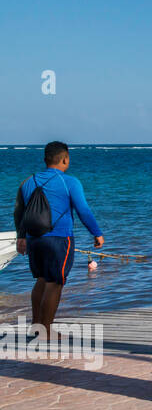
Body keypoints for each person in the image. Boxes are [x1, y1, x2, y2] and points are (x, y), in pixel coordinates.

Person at [13, 142, 105, 341]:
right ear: (65, 159)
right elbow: (83, 210)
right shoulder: (70, 182)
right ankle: (46, 332)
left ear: (45, 159)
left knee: (41, 280)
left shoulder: (28, 182)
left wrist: (21, 237)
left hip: (33, 239)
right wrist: (96, 233)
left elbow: (19, 212)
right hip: (59, 239)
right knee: (55, 283)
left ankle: (36, 327)